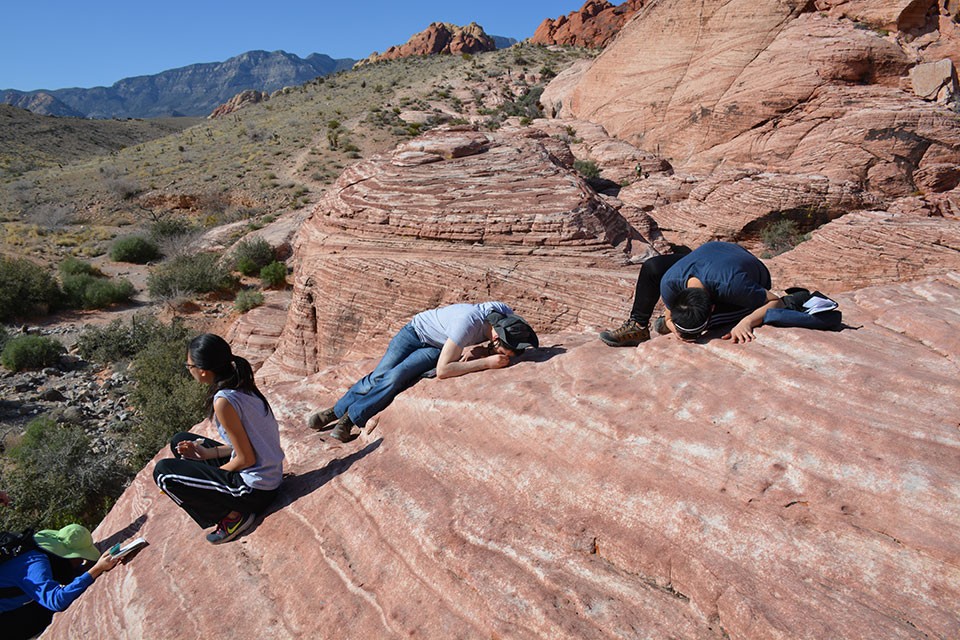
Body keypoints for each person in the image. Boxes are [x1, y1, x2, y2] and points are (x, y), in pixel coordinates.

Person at [307, 302, 539, 442]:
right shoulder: (466, 325)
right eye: (511, 351)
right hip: (415, 333)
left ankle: (349, 418)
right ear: (497, 337)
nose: (513, 356)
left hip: (437, 346)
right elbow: (443, 370)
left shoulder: (503, 314)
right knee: (380, 375)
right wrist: (487, 363)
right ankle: (335, 411)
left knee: (396, 378)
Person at [153, 334, 285, 545]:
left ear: (203, 370)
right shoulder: (241, 384)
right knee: (180, 440)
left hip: (255, 490)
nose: (189, 369)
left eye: (189, 365)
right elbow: (246, 445)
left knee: (164, 475)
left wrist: (211, 475)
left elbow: (246, 459)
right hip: (269, 476)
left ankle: (233, 516)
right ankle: (227, 501)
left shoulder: (223, 401)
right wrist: (207, 455)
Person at [599, 241, 783, 346]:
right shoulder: (669, 285)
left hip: (742, 267)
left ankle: (704, 321)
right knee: (653, 267)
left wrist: (747, 322)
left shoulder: (734, 286)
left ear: (713, 307)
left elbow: (777, 301)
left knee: (729, 319)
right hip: (710, 258)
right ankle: (638, 327)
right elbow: (669, 315)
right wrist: (673, 326)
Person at [0, 524, 122, 640]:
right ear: (69, 556)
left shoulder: (37, 543)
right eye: (81, 558)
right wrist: (96, 569)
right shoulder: (34, 563)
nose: (81, 562)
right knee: (46, 611)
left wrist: (85, 570)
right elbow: (56, 600)